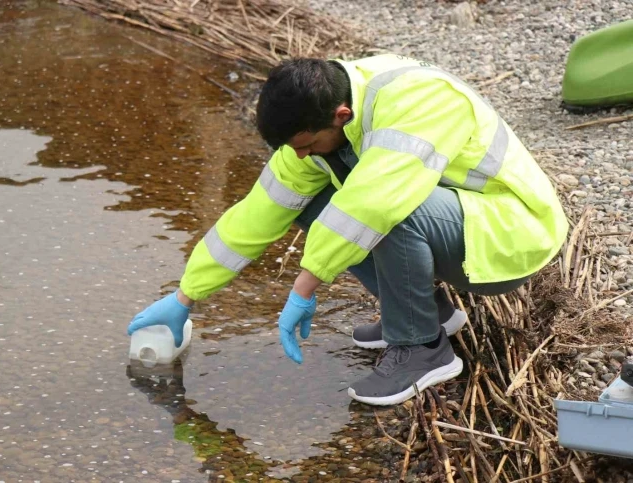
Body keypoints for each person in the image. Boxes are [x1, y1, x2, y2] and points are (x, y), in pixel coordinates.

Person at [127, 54, 568, 406]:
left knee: (387, 209)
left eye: (307, 146)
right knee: (308, 204)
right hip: (458, 224)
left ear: (339, 116)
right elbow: (256, 214)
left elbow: (374, 204)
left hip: (513, 232)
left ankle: (423, 347)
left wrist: (303, 287)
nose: (301, 157)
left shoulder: (419, 99)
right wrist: (186, 294)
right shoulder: (320, 110)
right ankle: (429, 312)